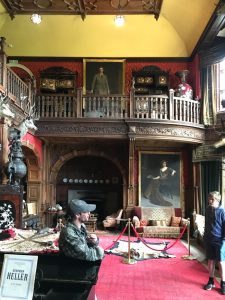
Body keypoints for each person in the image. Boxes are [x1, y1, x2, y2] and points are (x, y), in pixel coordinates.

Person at [203, 191, 225, 294]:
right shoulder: (207, 209)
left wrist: (223, 240)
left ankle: (223, 283)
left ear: (217, 200)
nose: (209, 200)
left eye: (212, 199)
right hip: (208, 239)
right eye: (209, 198)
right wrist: (205, 235)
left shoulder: (222, 211)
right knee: (210, 260)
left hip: (220, 240)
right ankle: (211, 281)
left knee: (221, 262)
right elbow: (207, 223)